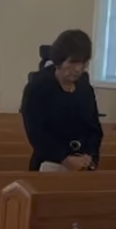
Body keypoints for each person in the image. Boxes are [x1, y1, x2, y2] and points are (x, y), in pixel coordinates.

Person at [21, 30, 103, 172]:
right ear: (59, 60)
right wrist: (64, 158)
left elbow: (94, 129)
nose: (78, 69)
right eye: (72, 62)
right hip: (48, 162)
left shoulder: (85, 89)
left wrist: (89, 155)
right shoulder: (37, 87)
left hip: (82, 164)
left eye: (83, 63)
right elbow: (36, 133)